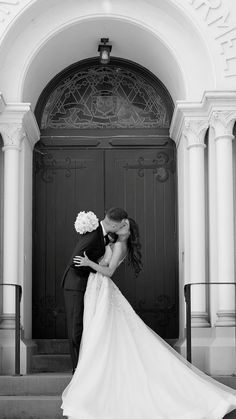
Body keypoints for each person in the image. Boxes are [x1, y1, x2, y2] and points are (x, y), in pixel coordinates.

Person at [61, 218, 236, 419]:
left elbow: (108, 271)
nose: (120, 227)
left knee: (103, 332)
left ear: (129, 231)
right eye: (120, 224)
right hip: (95, 290)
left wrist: (88, 262)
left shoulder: (120, 245)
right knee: (100, 332)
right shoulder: (111, 241)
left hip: (102, 288)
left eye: (124, 226)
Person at [61, 207, 128, 373]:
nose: (121, 228)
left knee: (84, 325)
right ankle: (76, 367)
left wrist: (94, 268)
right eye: (120, 225)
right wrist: (94, 269)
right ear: (114, 224)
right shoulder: (94, 234)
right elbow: (75, 262)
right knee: (76, 327)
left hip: (85, 285)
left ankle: (84, 364)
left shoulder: (103, 235)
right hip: (75, 285)